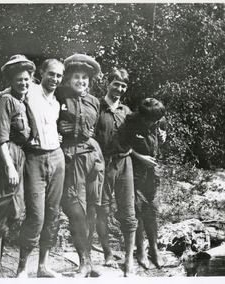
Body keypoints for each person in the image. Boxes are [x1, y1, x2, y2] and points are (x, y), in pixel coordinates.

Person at [0, 54, 36, 278]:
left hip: (19, 156)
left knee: (14, 211)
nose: (23, 83)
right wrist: (10, 167)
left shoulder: (25, 103)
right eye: (19, 79)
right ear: (11, 81)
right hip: (4, 159)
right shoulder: (6, 101)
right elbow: (1, 138)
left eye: (27, 79)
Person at [15, 59, 66, 278]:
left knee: (53, 214)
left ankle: (43, 266)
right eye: (52, 74)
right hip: (34, 159)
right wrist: (20, 136)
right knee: (35, 215)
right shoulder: (30, 90)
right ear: (42, 73)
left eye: (59, 76)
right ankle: (22, 268)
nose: (55, 79)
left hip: (56, 157)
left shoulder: (56, 102)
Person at [56, 54, 105, 277]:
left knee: (93, 209)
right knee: (76, 210)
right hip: (69, 156)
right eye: (76, 77)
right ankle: (83, 261)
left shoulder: (95, 101)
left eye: (85, 78)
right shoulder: (59, 95)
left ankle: (89, 261)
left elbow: (101, 129)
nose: (81, 81)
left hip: (92, 158)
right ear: (68, 78)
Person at [95, 68, 138, 277]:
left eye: (123, 86)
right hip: (101, 165)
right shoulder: (96, 107)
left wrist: (160, 131)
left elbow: (143, 131)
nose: (119, 89)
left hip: (124, 164)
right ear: (108, 83)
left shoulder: (127, 111)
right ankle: (107, 253)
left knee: (128, 213)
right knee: (101, 210)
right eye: (116, 84)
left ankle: (129, 260)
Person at [125, 98, 167, 270]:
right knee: (138, 209)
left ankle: (154, 250)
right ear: (142, 116)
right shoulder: (131, 121)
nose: (153, 123)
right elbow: (123, 145)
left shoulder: (159, 119)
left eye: (156, 121)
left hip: (152, 172)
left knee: (152, 209)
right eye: (150, 121)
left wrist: (163, 137)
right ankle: (140, 250)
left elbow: (160, 140)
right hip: (135, 171)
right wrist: (140, 157)